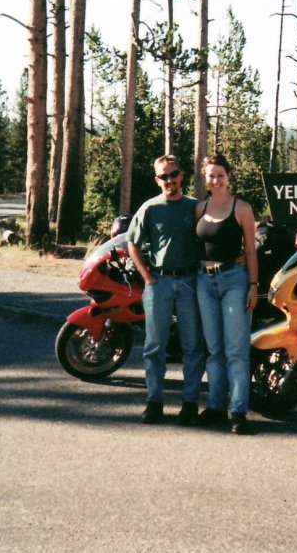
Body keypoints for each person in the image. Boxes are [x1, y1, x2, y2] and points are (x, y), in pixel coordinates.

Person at [126, 155, 205, 425]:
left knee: (192, 345)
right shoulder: (150, 208)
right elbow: (132, 242)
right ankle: (154, 401)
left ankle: (190, 402)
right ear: (157, 180)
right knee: (155, 345)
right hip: (158, 282)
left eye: (174, 174)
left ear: (182, 176)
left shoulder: (196, 207)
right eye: (164, 176)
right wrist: (146, 275)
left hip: (189, 282)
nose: (170, 180)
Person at [193, 154, 259, 435]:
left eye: (220, 175)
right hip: (204, 283)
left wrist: (254, 285)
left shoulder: (241, 209)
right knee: (214, 349)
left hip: (235, 281)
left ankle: (239, 411)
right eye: (210, 175)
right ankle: (216, 406)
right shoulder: (200, 208)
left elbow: (251, 250)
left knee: (236, 350)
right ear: (204, 179)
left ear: (228, 176)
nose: (215, 180)